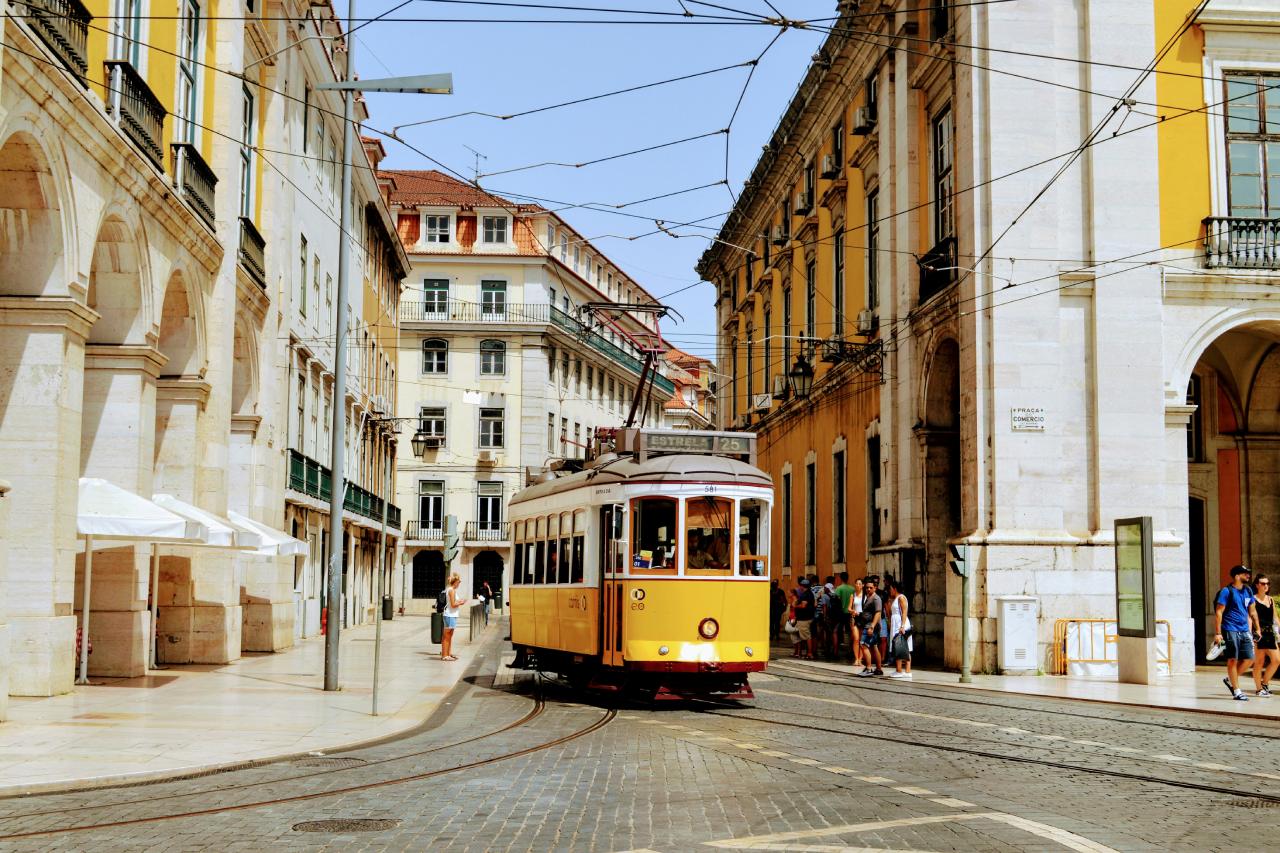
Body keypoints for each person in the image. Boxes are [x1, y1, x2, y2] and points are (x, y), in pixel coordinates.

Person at [1215, 564, 1260, 701]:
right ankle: (1237, 690)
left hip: (1244, 629)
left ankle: (1230, 680)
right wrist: (1218, 633)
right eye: (1245, 573)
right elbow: (1219, 611)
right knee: (1233, 660)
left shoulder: (1248, 591)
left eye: (1248, 573)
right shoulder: (1226, 591)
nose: (1248, 575)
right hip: (1230, 629)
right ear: (1236, 576)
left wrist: (1257, 628)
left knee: (1249, 659)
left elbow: (1252, 611)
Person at [1248, 574, 1277, 697]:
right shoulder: (1252, 599)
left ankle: (1264, 683)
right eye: (1263, 583)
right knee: (1259, 662)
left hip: (1270, 633)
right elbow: (1250, 617)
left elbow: (1275, 617)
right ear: (1257, 585)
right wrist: (1249, 634)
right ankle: (1259, 689)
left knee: (1276, 660)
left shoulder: (1270, 599)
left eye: (1267, 583)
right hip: (1258, 633)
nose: (1266, 586)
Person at [885, 577, 912, 679]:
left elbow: (904, 612)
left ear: (895, 588)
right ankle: (900, 670)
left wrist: (902, 626)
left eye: (890, 589)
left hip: (901, 624)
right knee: (901, 648)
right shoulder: (895, 598)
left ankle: (903, 670)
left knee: (902, 647)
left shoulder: (901, 598)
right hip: (896, 624)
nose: (889, 591)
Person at [859, 576, 884, 676]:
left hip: (870, 626)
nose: (868, 589)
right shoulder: (869, 597)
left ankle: (869, 668)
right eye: (867, 588)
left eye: (870, 587)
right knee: (874, 646)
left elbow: (878, 613)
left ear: (875, 588)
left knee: (863, 645)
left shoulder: (876, 598)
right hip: (868, 625)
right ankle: (878, 669)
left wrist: (872, 626)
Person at [441, 573, 468, 662]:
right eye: (458, 582)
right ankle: (445, 655)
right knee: (447, 636)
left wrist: (459, 601)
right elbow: (453, 604)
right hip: (450, 615)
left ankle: (448, 654)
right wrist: (461, 602)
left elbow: (452, 602)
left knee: (449, 635)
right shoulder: (451, 590)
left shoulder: (450, 589)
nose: (459, 584)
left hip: (451, 615)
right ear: (455, 582)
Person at [792, 577, 816, 659]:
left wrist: (795, 605)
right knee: (807, 636)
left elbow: (803, 606)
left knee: (807, 637)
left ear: (802, 586)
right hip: (807, 617)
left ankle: (809, 653)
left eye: (800, 586)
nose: (800, 587)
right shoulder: (809, 593)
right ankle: (808, 652)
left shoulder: (806, 595)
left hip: (804, 619)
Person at [834, 573, 856, 659]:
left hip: (841, 613)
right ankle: (850, 651)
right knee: (850, 632)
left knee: (835, 631)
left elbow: (836, 601)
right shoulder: (852, 589)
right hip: (850, 613)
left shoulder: (839, 589)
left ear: (840, 578)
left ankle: (835, 652)